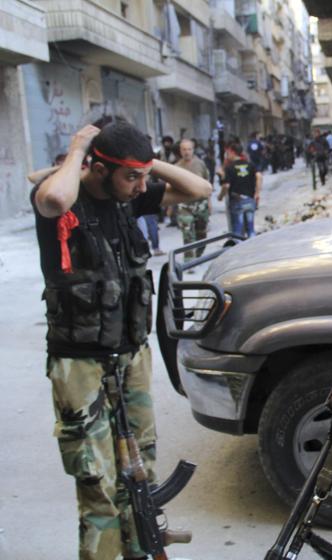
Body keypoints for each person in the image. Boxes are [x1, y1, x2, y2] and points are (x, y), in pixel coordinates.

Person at [31, 119, 211, 559]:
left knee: (140, 474)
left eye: (143, 177)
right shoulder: (61, 198)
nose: (140, 186)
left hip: (131, 359)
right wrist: (78, 148)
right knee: (98, 483)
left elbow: (200, 189)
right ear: (96, 168)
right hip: (80, 364)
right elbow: (54, 197)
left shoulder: (130, 198)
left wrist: (146, 163)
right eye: (131, 176)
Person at [175, 138, 212, 260]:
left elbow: (207, 184)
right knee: (187, 233)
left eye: (189, 149)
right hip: (184, 205)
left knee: (201, 233)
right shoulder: (176, 167)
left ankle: (198, 254)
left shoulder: (200, 164)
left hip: (201, 204)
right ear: (180, 151)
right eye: (184, 149)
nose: (187, 152)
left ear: (193, 150)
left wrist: (209, 202)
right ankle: (189, 259)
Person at [219, 142, 261, 238]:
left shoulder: (229, 167)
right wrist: (257, 193)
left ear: (232, 152)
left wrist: (220, 196)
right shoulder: (250, 164)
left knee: (238, 231)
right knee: (250, 229)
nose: (226, 155)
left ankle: (240, 250)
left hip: (236, 201)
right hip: (250, 200)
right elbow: (259, 176)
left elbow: (226, 185)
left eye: (227, 153)